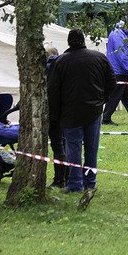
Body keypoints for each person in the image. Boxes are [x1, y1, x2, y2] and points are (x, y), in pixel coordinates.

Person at [47, 29, 113, 206]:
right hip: (93, 110)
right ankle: (90, 183)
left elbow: (53, 90)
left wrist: (56, 113)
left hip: (70, 113)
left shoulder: (60, 62)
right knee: (91, 148)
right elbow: (111, 82)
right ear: (83, 40)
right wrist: (102, 100)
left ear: (68, 42)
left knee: (73, 148)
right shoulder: (99, 58)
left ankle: (75, 184)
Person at [44, 46, 68, 189]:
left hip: (54, 111)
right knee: (65, 143)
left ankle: (60, 180)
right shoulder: (64, 65)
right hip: (66, 110)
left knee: (58, 145)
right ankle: (67, 176)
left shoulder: (48, 67)